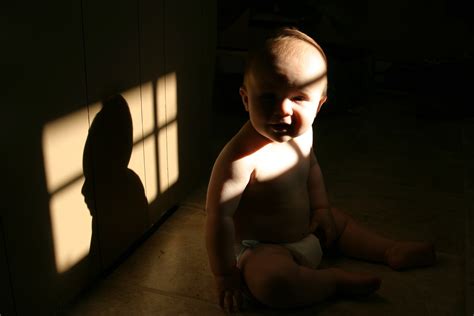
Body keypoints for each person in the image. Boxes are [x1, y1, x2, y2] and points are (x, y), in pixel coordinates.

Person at [205, 27, 436, 312]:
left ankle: (389, 249)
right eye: (267, 97)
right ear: (245, 99)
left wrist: (322, 209)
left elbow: (311, 169)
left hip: (309, 231)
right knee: (272, 284)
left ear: (319, 104)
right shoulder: (238, 159)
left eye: (298, 98)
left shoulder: (304, 135)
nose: (283, 110)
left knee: (341, 224)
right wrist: (225, 275)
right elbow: (219, 217)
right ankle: (332, 281)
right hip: (263, 249)